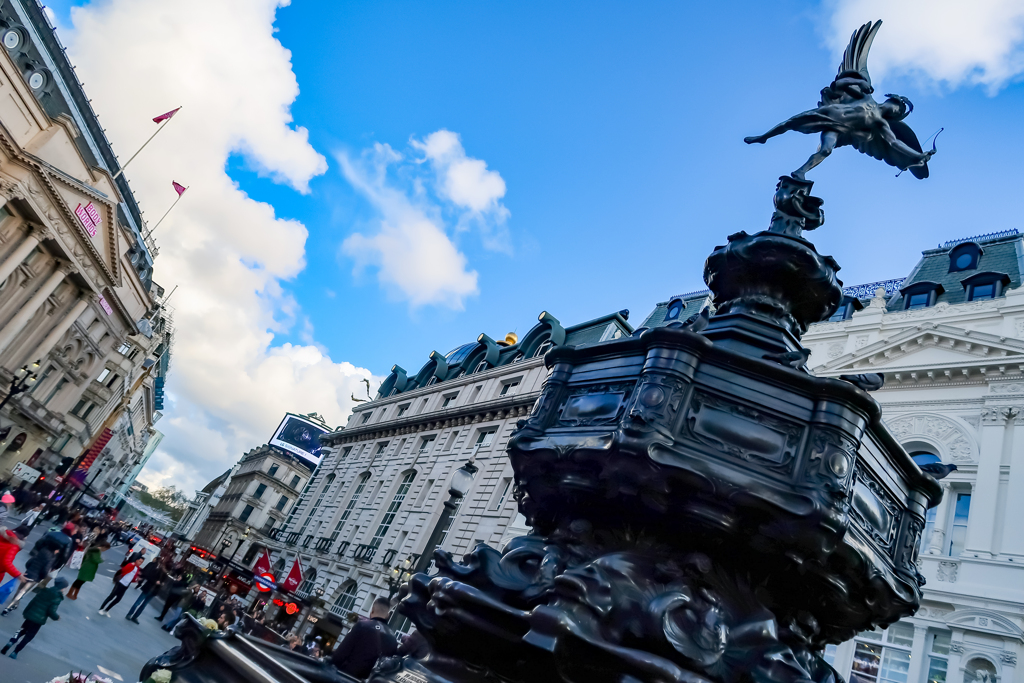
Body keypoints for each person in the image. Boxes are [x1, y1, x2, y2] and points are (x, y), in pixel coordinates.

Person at [2, 523, 74, 616]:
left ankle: (14, 602)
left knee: (20, 588)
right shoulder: (65, 544)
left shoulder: (51, 535)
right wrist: (52, 569)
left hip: (30, 571)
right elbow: (63, 557)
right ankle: (10, 607)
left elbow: (37, 546)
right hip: (36, 576)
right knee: (24, 591)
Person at [331, 597, 398, 679]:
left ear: (372, 610)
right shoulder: (393, 638)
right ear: (388, 615)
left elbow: (340, 654)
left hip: (347, 677)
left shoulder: (362, 625)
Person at [1, 576, 66, 659]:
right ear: (61, 588)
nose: (64, 590)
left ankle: (11, 641)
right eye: (64, 588)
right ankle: (15, 652)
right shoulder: (57, 597)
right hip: (38, 621)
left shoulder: (44, 591)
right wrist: (57, 617)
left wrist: (26, 612)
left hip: (30, 615)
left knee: (21, 630)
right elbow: (51, 611)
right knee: (28, 636)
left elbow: (32, 602)